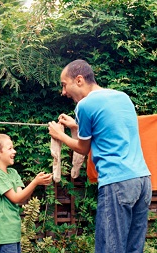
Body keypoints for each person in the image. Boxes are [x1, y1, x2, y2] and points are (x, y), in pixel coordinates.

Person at [48, 59, 152, 253]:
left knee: (110, 248)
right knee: (134, 249)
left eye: (64, 85)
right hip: (143, 181)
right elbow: (109, 130)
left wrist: (59, 134)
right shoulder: (122, 97)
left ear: (79, 80)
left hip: (117, 182)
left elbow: (83, 148)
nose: (63, 92)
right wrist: (75, 126)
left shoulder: (85, 105)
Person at [0, 133, 52, 253]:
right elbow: (15, 198)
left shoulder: (13, 173)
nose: (14, 151)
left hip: (13, 231)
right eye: (10, 148)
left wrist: (38, 182)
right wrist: (35, 182)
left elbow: (20, 197)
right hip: (3, 233)